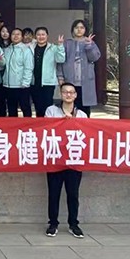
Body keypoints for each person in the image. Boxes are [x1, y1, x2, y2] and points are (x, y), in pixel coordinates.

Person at [44, 82, 87, 239]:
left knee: (73, 194)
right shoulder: (51, 111)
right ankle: (53, 223)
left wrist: (72, 123)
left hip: (74, 159)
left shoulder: (81, 115)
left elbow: (87, 134)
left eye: (71, 92)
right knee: (53, 193)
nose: (68, 95)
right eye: (65, 92)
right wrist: (62, 122)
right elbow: (46, 129)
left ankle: (73, 224)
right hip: (55, 158)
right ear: (60, 94)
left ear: (75, 95)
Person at [58, 20, 101, 116]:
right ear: (73, 29)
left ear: (85, 30)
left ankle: (84, 125)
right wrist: (60, 76)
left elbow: (94, 58)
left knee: (84, 108)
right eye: (76, 27)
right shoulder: (67, 43)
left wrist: (89, 46)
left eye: (82, 28)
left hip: (85, 81)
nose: (79, 30)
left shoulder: (90, 42)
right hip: (70, 80)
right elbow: (60, 61)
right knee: (69, 105)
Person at [30, 28, 66, 118]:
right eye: (38, 34)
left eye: (43, 34)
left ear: (47, 36)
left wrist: (60, 46)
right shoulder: (31, 48)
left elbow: (61, 59)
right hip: (34, 82)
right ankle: (39, 124)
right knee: (37, 106)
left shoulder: (53, 48)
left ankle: (48, 124)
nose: (41, 37)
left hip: (48, 82)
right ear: (35, 36)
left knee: (47, 106)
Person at [2, 28, 33, 117]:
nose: (15, 36)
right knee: (11, 109)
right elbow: (3, 66)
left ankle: (28, 125)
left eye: (18, 34)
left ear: (22, 37)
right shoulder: (7, 50)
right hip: (8, 85)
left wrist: (25, 83)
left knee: (25, 108)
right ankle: (14, 126)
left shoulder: (26, 50)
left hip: (21, 85)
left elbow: (28, 68)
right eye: (13, 34)